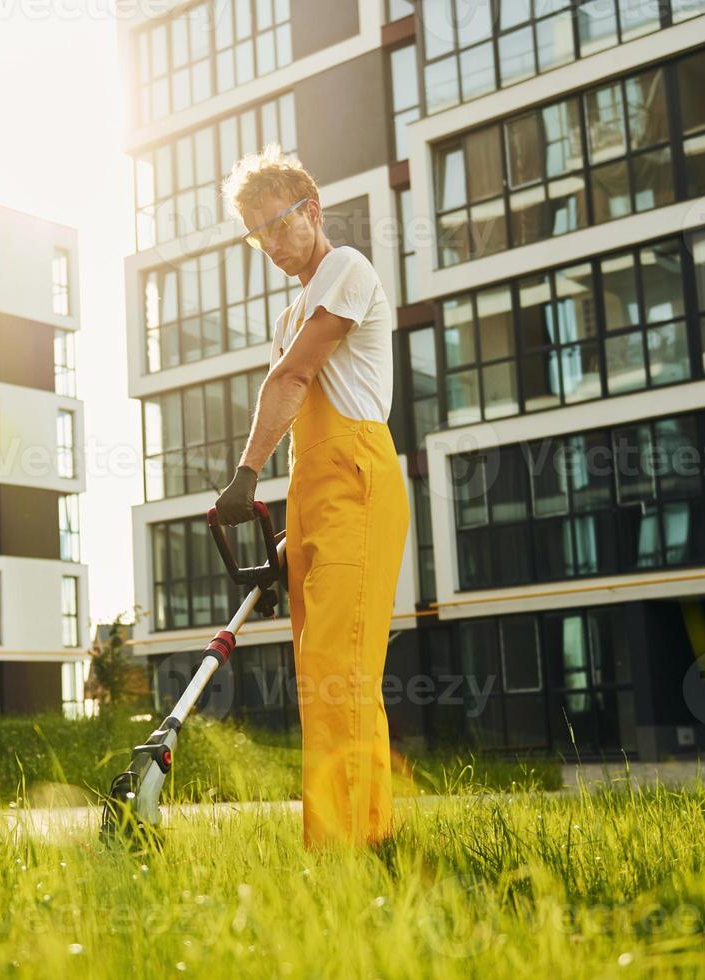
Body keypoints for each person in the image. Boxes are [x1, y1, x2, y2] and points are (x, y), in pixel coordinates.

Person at [212, 146, 409, 852]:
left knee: (341, 669)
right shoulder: (290, 310)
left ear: (311, 209)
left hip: (358, 474)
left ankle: (344, 847)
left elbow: (294, 379)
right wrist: (289, 524)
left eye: (275, 225)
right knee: (324, 674)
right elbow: (293, 396)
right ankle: (365, 835)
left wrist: (244, 472)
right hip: (314, 489)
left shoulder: (346, 270)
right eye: (255, 234)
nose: (267, 244)